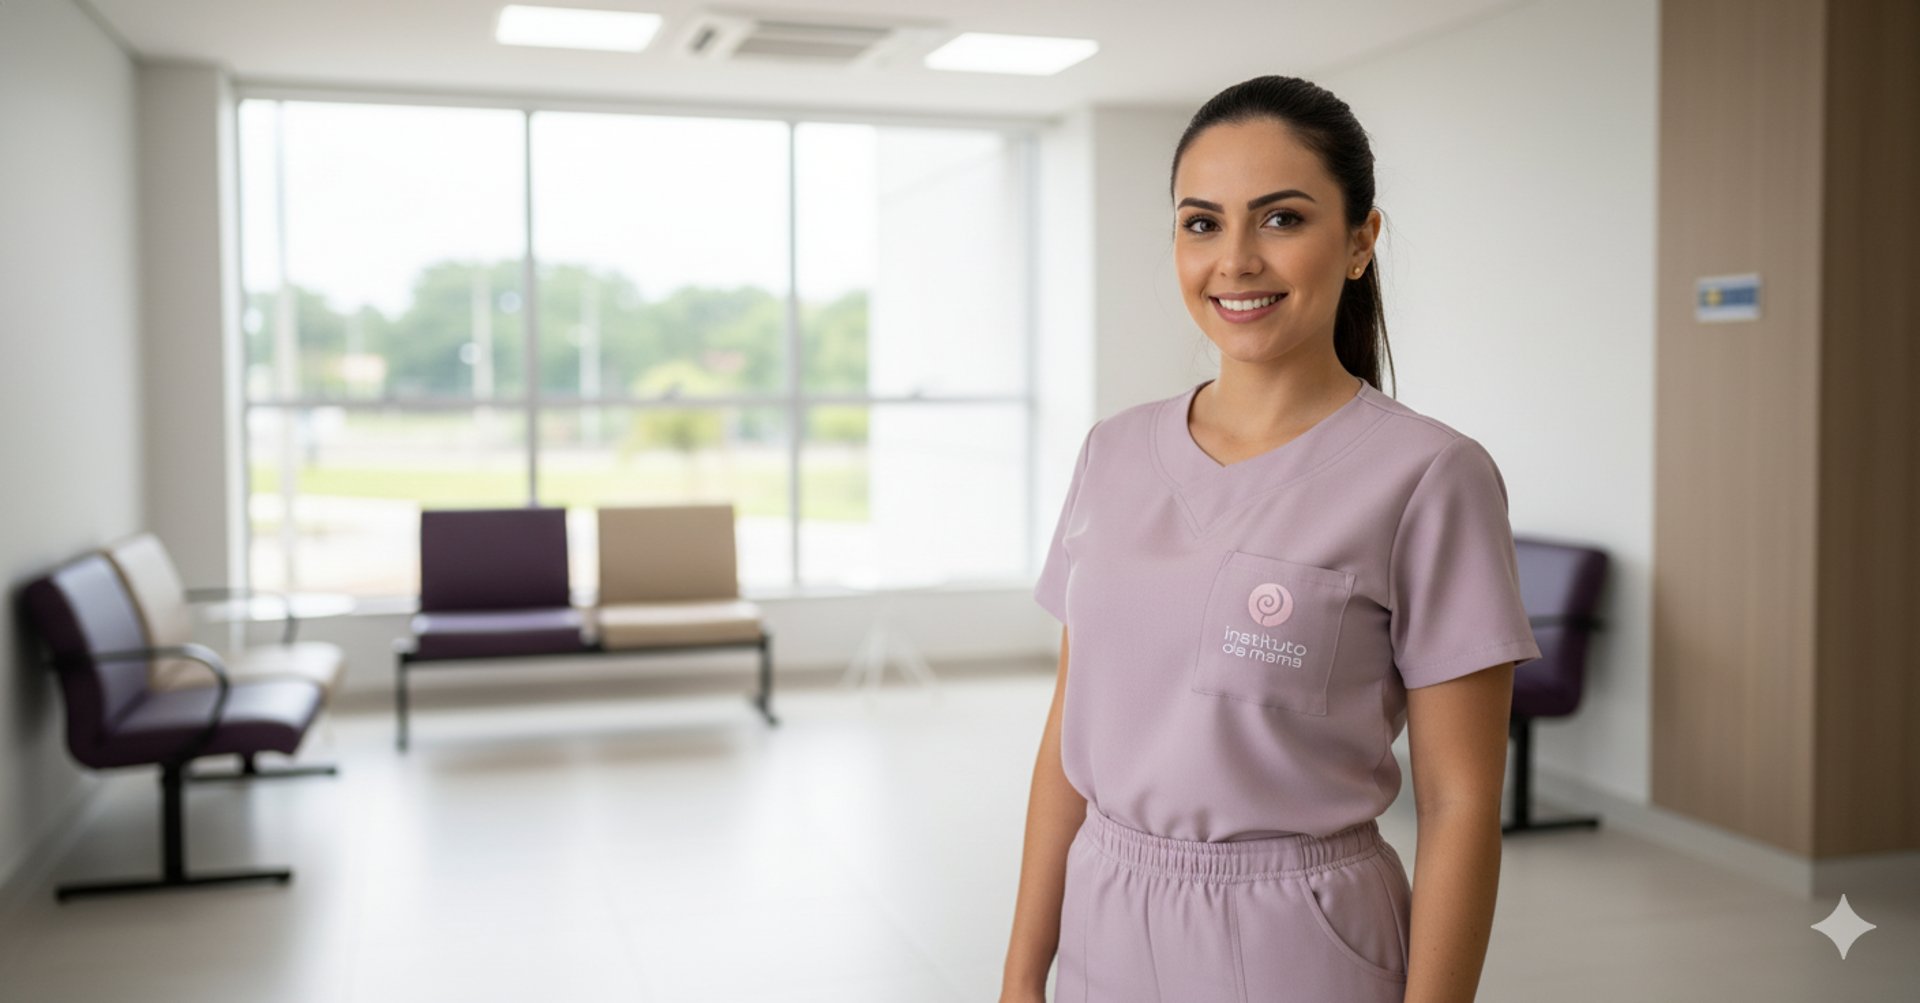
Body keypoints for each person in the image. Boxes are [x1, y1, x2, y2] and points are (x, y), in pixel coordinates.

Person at [999, 75, 1539, 1003]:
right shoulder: (1114, 451)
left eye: (1282, 219)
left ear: (1362, 240)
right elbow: (1067, 739)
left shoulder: (1429, 476)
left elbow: (1458, 805)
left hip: (1299, 937)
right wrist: (1020, 979)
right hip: (1104, 914)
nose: (1235, 260)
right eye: (1201, 223)